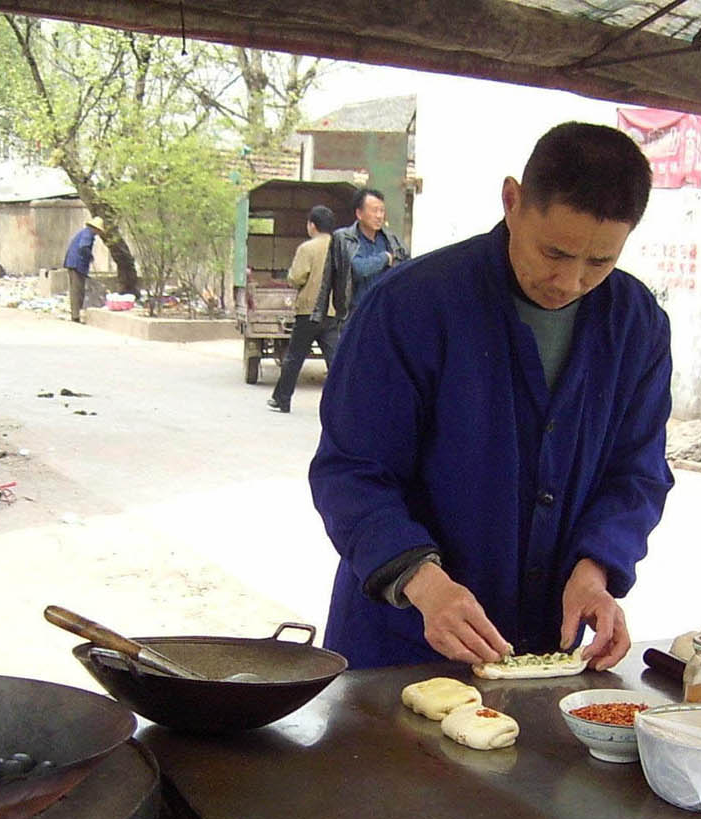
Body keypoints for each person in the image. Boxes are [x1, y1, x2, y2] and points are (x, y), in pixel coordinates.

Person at [308, 122, 673, 671]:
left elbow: (637, 472)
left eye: (600, 261)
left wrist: (596, 568)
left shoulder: (637, 325)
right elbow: (352, 472)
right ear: (512, 201)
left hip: (540, 649)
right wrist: (425, 585)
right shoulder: (410, 306)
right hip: (399, 645)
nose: (570, 281)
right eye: (555, 252)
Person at [267, 205, 341, 414]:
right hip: (332, 311)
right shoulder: (340, 247)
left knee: (295, 357)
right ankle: (343, 404)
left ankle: (282, 400)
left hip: (308, 311)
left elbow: (297, 277)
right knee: (335, 360)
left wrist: (291, 278)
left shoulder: (307, 248)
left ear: (312, 225)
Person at [311, 187, 408, 328]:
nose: (379, 216)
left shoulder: (392, 242)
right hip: (354, 314)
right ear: (359, 213)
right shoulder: (343, 239)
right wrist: (385, 258)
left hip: (384, 313)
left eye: (382, 211)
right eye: (374, 211)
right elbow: (352, 270)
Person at [64, 216, 106, 323]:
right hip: (76, 264)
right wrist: (90, 256)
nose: (98, 233)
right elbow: (83, 247)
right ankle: (76, 316)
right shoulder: (88, 234)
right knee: (77, 291)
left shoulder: (85, 233)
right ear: (95, 228)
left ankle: (76, 314)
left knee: (76, 290)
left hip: (73, 263)